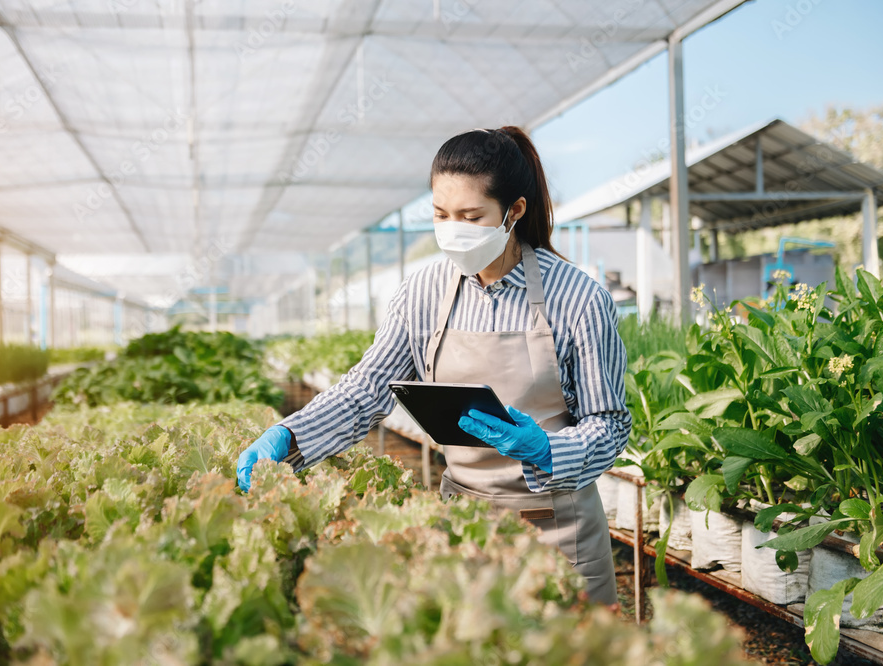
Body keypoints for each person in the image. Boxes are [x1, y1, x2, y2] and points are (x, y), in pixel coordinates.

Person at [236, 125, 631, 606]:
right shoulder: (422, 293)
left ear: (514, 212)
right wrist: (291, 437)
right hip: (461, 528)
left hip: (557, 533)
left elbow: (609, 426)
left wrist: (546, 449)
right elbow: (365, 391)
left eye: (470, 216)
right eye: (441, 215)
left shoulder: (578, 298)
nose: (453, 229)